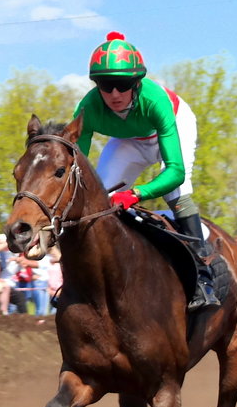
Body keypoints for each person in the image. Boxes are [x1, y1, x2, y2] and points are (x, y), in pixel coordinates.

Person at [73, 31, 219, 310]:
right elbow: (75, 165)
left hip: (174, 126)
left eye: (123, 83)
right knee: (99, 199)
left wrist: (136, 193)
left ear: (137, 82)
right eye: (105, 84)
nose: (114, 93)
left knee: (178, 193)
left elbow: (175, 171)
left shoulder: (155, 100)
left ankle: (203, 275)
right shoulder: (88, 107)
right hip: (129, 141)